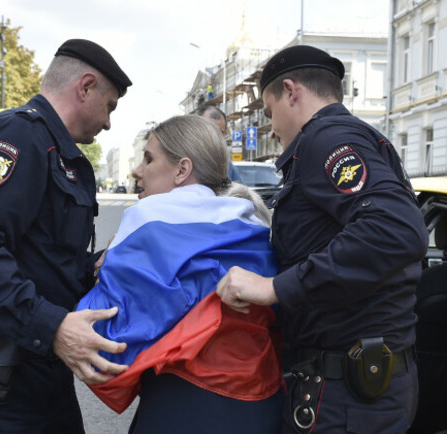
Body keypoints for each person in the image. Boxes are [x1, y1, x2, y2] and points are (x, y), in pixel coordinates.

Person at [216, 45, 428, 432]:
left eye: (268, 110)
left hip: (345, 394)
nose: (273, 126)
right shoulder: (358, 138)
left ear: (291, 91)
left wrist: (275, 287)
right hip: (362, 385)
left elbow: (395, 231)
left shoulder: (325, 141)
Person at [0, 39, 132, 434]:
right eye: (109, 107)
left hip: (41, 363)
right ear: (86, 86)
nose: (109, 122)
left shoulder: (60, 152)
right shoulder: (19, 136)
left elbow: (44, 258)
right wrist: (52, 326)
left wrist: (94, 270)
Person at [77, 115, 283, 433]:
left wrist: (100, 271)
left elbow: (105, 341)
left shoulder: (149, 219)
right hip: (260, 399)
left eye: (149, 158)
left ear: (182, 170)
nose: (137, 171)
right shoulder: (252, 222)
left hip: (183, 404)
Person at [194, 105, 243, 182]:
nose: (214, 137)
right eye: (209, 130)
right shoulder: (177, 159)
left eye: (220, 132)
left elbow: (240, 192)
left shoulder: (227, 166)